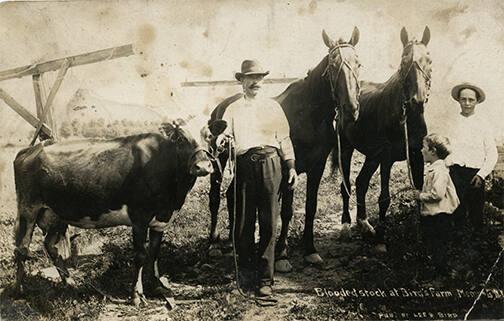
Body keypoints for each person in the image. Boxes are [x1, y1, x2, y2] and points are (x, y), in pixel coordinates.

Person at [217, 59, 298, 298]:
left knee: (268, 223)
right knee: (243, 222)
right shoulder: (233, 109)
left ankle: (265, 281)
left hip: (271, 164)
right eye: (250, 78)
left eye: (259, 77)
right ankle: (245, 276)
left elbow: (284, 139)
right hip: (243, 165)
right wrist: (222, 140)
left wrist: (291, 167)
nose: (255, 82)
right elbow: (224, 135)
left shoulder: (274, 107)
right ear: (241, 81)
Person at [446, 83, 498, 231]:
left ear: (476, 101)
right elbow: (447, 149)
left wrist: (481, 175)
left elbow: (492, 153)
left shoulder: (483, 124)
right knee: (456, 212)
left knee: (476, 215)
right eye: (463, 99)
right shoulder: (452, 122)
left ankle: (479, 247)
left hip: (475, 175)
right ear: (458, 101)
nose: (467, 103)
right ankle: (458, 248)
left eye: (471, 100)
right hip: (456, 174)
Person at [414, 134, 460, 274]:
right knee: (435, 243)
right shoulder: (434, 169)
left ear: (433, 151)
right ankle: (437, 269)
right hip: (434, 214)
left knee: (438, 244)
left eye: (424, 147)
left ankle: (441, 272)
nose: (421, 150)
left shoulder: (439, 171)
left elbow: (437, 194)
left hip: (439, 215)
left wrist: (420, 196)